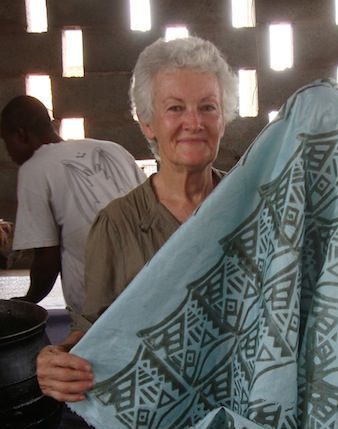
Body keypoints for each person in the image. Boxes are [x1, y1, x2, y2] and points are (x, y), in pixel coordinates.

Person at [35, 36, 239, 403]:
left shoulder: (250, 209)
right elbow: (92, 337)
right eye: (175, 108)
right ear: (147, 123)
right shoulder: (116, 226)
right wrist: (57, 362)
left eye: (208, 107)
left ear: (223, 119)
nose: (193, 122)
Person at [0, 95, 147, 315]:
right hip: (150, 292)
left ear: (20, 134)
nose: (8, 152)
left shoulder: (34, 169)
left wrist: (28, 301)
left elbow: (46, 259)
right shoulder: (112, 149)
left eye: (5, 141)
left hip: (100, 314)